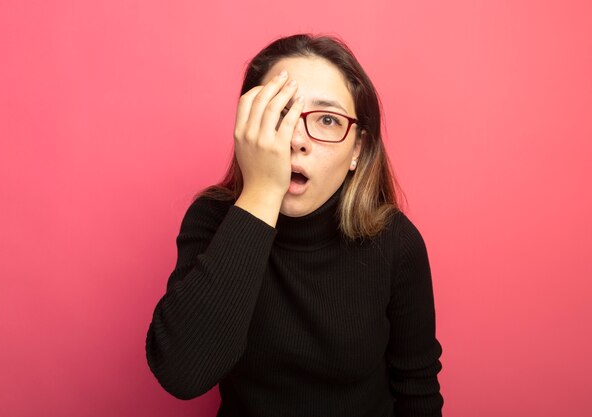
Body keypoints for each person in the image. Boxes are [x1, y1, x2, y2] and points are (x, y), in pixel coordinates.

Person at [145, 33, 443, 417]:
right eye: (280, 115)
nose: (297, 139)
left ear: (357, 150)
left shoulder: (396, 243)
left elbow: (417, 388)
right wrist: (263, 191)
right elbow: (182, 373)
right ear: (248, 128)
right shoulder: (211, 219)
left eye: (328, 119)